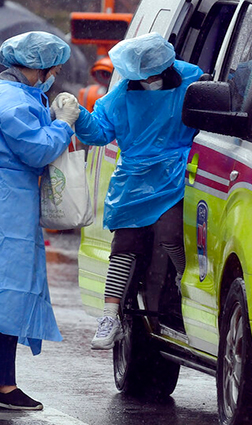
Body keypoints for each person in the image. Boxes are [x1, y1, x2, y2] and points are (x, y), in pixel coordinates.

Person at [0, 31, 80, 410]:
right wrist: (63, 124)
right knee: (6, 293)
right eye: (53, 70)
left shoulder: (10, 91)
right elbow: (37, 149)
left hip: (4, 196)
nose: (54, 76)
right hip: (3, 201)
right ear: (38, 67)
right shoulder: (12, 100)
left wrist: (52, 117)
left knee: (5, 292)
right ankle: (2, 385)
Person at [56, 32, 203, 350]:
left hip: (174, 174)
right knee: (124, 244)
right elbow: (99, 131)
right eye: (141, 75)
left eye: (151, 73)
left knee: (171, 233)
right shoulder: (122, 95)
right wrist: (78, 114)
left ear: (166, 65)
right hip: (134, 178)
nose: (146, 80)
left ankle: (186, 285)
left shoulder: (192, 81)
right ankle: (109, 316)